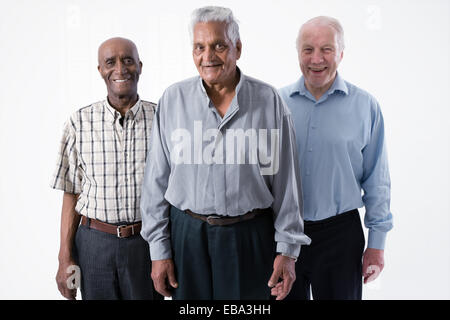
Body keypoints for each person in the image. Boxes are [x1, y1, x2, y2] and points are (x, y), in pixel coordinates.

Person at [140, 6, 311, 300]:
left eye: (219, 45)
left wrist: (288, 250)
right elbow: (155, 182)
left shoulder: (268, 100)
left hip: (250, 237)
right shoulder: (172, 100)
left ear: (238, 48)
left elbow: (286, 184)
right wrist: (158, 250)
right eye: (199, 47)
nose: (208, 56)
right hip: (188, 237)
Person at [278, 16, 394, 300]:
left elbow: (377, 179)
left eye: (326, 49)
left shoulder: (365, 106)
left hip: (340, 235)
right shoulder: (275, 103)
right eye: (308, 49)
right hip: (283, 234)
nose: (316, 59)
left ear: (341, 53)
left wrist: (377, 244)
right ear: (298, 54)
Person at [51, 37, 162, 300]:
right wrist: (64, 257)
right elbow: (71, 192)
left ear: (140, 66)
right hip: (93, 245)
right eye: (110, 62)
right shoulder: (78, 122)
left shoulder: (162, 120)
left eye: (128, 61)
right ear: (100, 70)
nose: (120, 69)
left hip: (146, 244)